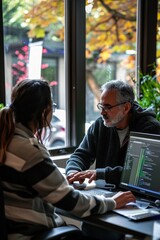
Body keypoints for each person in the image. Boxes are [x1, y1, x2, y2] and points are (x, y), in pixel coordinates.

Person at [0, 79, 135, 240]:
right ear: (45, 111)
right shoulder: (30, 151)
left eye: (108, 107)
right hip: (29, 233)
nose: (102, 112)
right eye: (53, 106)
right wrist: (112, 202)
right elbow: (72, 203)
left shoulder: (7, 139)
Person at [66, 79, 160, 186]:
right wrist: (73, 172)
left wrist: (100, 174)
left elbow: (140, 172)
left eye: (107, 107)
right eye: (101, 106)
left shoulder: (150, 129)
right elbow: (81, 155)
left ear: (126, 107)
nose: (102, 112)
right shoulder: (100, 125)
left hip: (137, 195)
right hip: (106, 192)